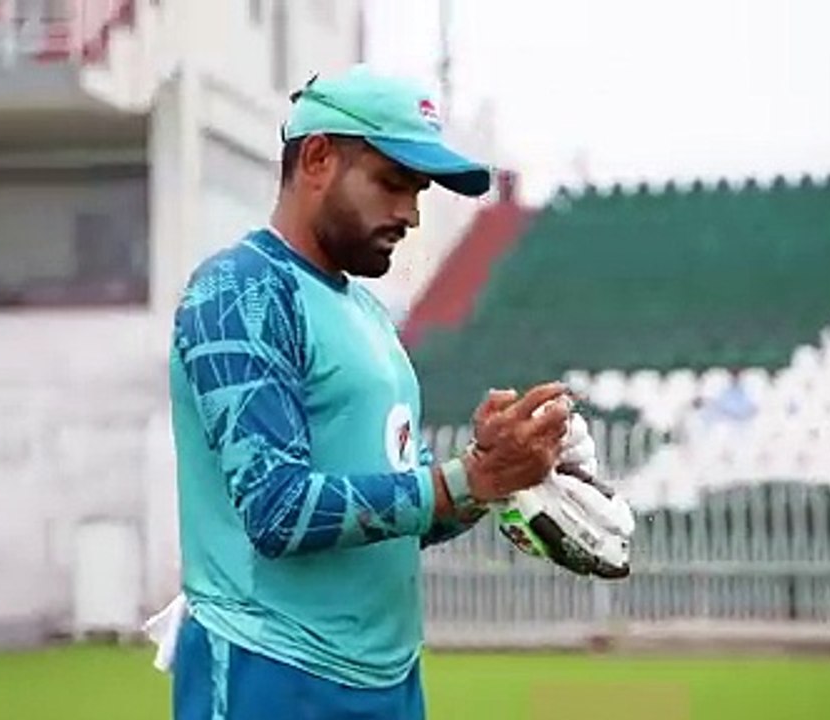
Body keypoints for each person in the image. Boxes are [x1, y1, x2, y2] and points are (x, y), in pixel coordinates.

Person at [162, 65, 572, 720]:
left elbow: (407, 513)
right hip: (268, 670)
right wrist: (464, 480)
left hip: (389, 678)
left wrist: (492, 475)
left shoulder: (370, 314)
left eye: (418, 191)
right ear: (317, 158)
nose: (410, 213)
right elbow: (276, 509)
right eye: (392, 182)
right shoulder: (239, 290)